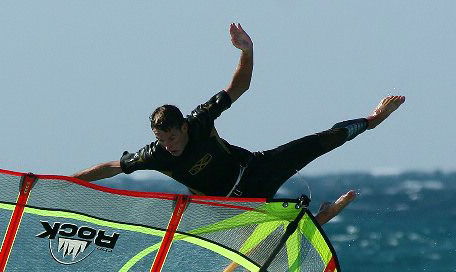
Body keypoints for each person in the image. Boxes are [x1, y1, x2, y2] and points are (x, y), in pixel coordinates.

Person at [73, 23, 404, 224]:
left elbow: (239, 87)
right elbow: (112, 167)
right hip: (230, 206)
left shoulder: (199, 121)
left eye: (172, 138)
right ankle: (320, 217)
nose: (168, 146)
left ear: (183, 128)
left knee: (320, 140)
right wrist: (63, 183)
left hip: (255, 170)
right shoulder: (155, 154)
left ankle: (371, 120)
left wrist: (247, 51)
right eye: (163, 140)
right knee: (274, 239)